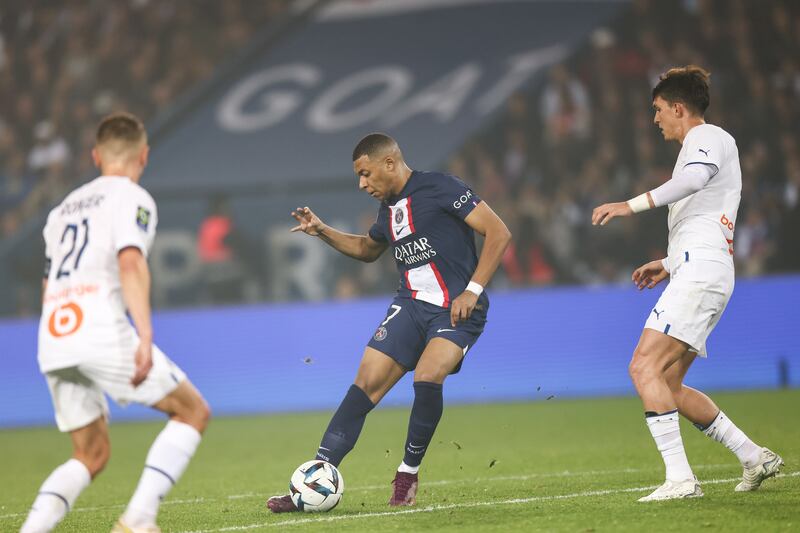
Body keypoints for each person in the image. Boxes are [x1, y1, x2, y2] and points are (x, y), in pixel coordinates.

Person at [268, 133, 511, 511]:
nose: (361, 184)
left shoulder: (440, 187)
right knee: (364, 384)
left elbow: (499, 231)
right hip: (410, 307)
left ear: (389, 163)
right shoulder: (389, 210)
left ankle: (407, 475)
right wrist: (322, 231)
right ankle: (315, 477)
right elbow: (368, 249)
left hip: (456, 308)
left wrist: (473, 289)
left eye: (365, 174)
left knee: (428, 376)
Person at [592, 66, 783, 502]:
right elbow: (704, 219)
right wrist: (667, 262)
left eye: (658, 110)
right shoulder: (703, 147)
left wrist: (630, 204)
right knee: (669, 385)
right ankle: (755, 457)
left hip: (703, 272)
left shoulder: (707, 137)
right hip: (700, 267)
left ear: (679, 108)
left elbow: (693, 182)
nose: (654, 118)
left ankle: (680, 480)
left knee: (643, 368)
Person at [20, 112, 210, 533]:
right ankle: (138, 520)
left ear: (95, 156)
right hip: (100, 328)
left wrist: (56, 338)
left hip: (54, 333)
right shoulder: (131, 196)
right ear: (143, 156)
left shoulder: (61, 210)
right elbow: (130, 261)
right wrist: (144, 333)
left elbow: (48, 282)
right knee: (192, 411)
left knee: (90, 454)